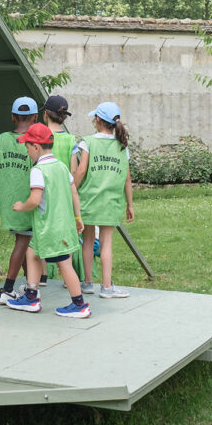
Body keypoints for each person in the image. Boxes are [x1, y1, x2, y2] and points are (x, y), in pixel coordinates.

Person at [5, 122, 90, 318]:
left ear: (36, 147)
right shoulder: (60, 166)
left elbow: (35, 200)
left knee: (64, 264)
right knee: (32, 252)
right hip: (62, 225)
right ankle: (31, 296)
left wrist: (21, 206)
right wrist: (78, 218)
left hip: (49, 228)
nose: (27, 152)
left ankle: (79, 304)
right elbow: (73, 192)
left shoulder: (38, 170)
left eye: (27, 147)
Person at [75, 101, 134, 298]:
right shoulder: (122, 146)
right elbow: (126, 178)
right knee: (106, 241)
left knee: (88, 241)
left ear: (98, 120)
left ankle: (87, 283)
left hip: (88, 199)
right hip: (112, 201)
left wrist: (71, 188)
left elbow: (81, 170)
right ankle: (107, 287)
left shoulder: (87, 142)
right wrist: (130, 204)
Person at [0, 96, 38, 303]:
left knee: (23, 242)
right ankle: (7, 288)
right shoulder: (34, 141)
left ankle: (28, 282)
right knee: (23, 242)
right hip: (27, 201)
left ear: (12, 117)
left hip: (8, 200)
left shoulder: (2, 139)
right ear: (35, 117)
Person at [41, 93, 83, 283]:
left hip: (43, 193)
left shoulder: (41, 137)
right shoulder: (70, 140)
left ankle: (42, 276)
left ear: (46, 114)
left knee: (42, 231)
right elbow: (73, 170)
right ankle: (69, 279)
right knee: (66, 233)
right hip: (64, 194)